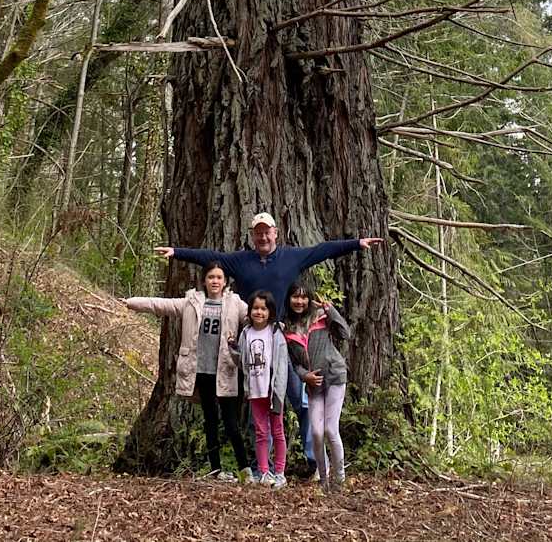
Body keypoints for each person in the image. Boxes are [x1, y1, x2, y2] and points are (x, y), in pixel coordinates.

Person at [154, 211, 383, 477]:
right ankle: (264, 467)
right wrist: (177, 251)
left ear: (275, 233)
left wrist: (356, 244)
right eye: (258, 232)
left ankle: (314, 461)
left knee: (300, 399)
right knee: (257, 400)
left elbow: (323, 251)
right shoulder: (241, 261)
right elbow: (210, 257)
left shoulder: (291, 257)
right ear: (253, 236)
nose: (263, 236)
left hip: (284, 340)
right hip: (251, 342)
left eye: (267, 231)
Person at [123, 262, 251, 481]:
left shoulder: (235, 304)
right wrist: (131, 303)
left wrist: (275, 325)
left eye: (219, 277)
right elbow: (161, 305)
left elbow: (256, 317)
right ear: (204, 280)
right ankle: (216, 469)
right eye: (211, 277)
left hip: (225, 370)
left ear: (225, 281)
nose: (215, 281)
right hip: (201, 371)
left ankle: (244, 470)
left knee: (231, 423)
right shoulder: (191, 303)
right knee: (210, 421)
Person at [283, 283, 350, 492]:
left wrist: (331, 310)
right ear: (289, 300)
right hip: (314, 385)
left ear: (309, 299)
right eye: (295, 297)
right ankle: (323, 479)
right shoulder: (287, 328)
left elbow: (344, 333)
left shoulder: (321, 316)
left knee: (331, 429)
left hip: (335, 376)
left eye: (303, 298)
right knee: (317, 433)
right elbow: (295, 363)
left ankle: (339, 479)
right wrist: (305, 376)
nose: (299, 302)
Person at [226, 290, 289, 487]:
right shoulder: (246, 333)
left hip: (273, 391)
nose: (259, 312)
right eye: (255, 308)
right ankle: (264, 472)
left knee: (277, 431)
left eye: (263, 309)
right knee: (261, 433)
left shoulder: (275, 333)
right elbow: (242, 361)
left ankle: (279, 472)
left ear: (270, 311)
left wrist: (279, 390)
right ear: (250, 310)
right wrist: (233, 348)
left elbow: (281, 365)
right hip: (254, 390)